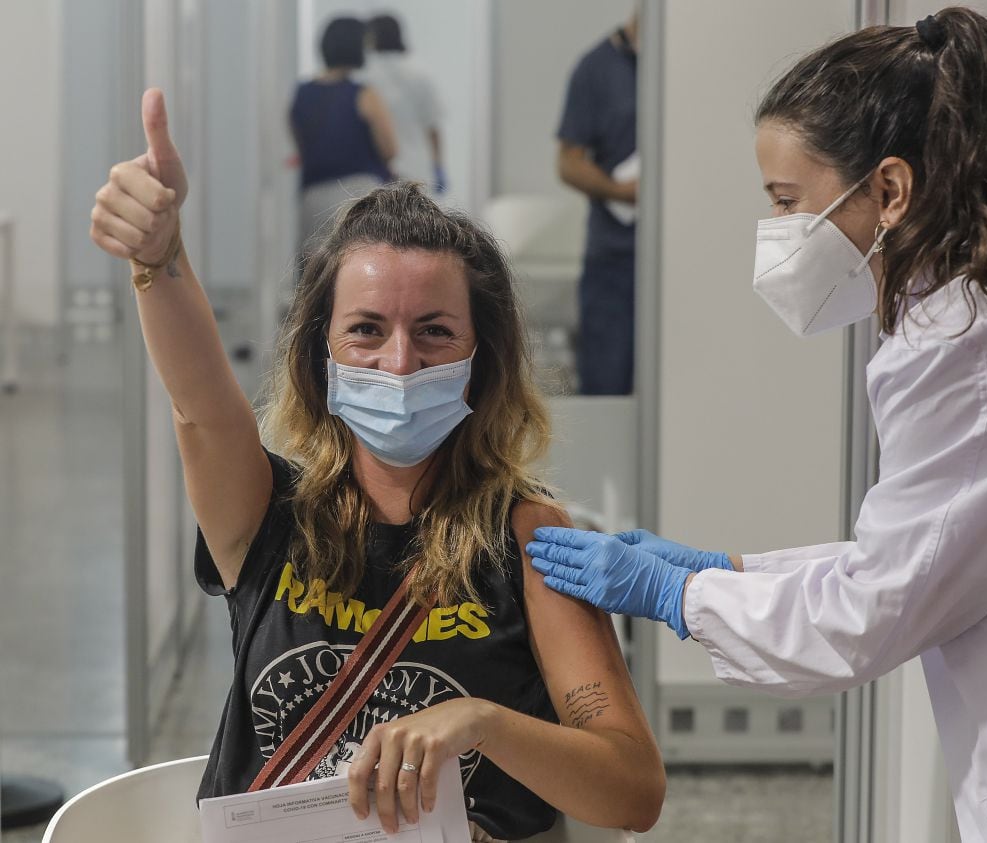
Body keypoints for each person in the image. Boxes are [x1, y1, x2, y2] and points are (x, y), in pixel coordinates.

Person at [529, 8, 987, 840]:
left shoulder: (968, 341)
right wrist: (731, 571)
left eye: (789, 202)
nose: (781, 234)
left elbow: (878, 609)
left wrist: (680, 593)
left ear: (889, 190)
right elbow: (917, 553)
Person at [89, 89, 665, 842]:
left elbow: (632, 790)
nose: (399, 362)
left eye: (433, 331)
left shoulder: (529, 539)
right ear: (320, 354)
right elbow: (201, 406)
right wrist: (158, 257)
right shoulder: (267, 516)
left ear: (479, 358)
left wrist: (482, 723)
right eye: (366, 329)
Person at [555, 13, 638, 395]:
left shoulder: (688, 67)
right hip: (615, 258)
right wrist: (622, 192)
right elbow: (568, 163)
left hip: (683, 258)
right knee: (607, 383)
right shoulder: (597, 68)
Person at [290, 16, 397, 258]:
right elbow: (390, 149)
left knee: (316, 271)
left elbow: (301, 146)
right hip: (359, 193)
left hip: (313, 196)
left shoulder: (301, 95)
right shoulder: (363, 94)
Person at [359, 13, 446, 193]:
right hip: (417, 171)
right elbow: (433, 127)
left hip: (378, 174)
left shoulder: (364, 75)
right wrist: (438, 166)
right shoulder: (419, 73)